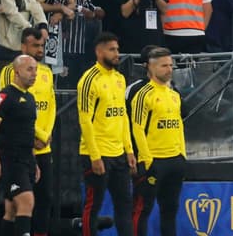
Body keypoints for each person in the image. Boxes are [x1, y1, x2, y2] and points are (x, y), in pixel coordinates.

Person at [76, 32, 135, 236]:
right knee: (93, 206)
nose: (117, 53)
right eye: (112, 49)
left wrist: (129, 150)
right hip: (97, 153)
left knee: (125, 205)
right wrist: (95, 155)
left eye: (117, 49)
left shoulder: (119, 79)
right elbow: (84, 119)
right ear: (99, 52)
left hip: (119, 154)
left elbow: (123, 117)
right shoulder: (88, 80)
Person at [0, 28, 56, 236]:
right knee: (16, 205)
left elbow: (50, 106)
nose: (40, 50)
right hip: (20, 148)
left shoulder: (47, 73)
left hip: (44, 148)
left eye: (42, 46)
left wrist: (46, 135)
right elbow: (12, 112)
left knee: (45, 199)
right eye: (35, 45)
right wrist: (38, 136)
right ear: (23, 46)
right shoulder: (9, 72)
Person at [128, 47, 185, 236]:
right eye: (164, 66)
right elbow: (137, 127)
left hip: (174, 160)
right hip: (154, 160)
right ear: (151, 68)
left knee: (170, 211)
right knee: (142, 210)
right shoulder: (143, 94)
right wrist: (146, 158)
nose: (169, 69)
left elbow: (178, 126)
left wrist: (182, 155)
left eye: (171, 65)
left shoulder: (174, 94)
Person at [0, 54, 40, 236]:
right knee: (26, 202)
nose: (34, 74)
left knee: (11, 210)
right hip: (11, 161)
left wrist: (34, 162)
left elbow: (27, 134)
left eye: (36, 70)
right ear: (16, 72)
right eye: (29, 69)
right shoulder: (4, 96)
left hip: (26, 161)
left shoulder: (30, 99)